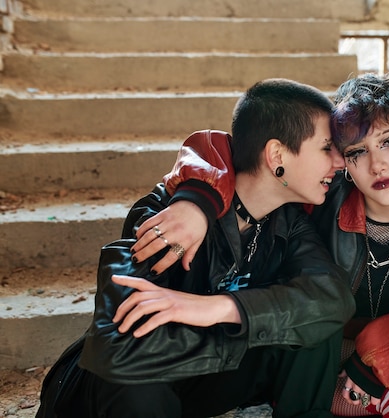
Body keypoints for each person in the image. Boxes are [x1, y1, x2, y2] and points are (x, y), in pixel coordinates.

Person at [129, 73, 389, 417]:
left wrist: (383, 358)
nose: (377, 164)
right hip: (328, 351)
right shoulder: (323, 194)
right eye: (357, 151)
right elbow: (230, 149)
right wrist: (198, 201)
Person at [35, 78, 356, 418]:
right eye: (326, 148)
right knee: (135, 380)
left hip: (200, 381)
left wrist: (223, 309)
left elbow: (333, 298)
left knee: (314, 323)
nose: (340, 162)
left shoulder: (289, 222)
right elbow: (121, 349)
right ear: (277, 154)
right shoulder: (167, 216)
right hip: (113, 393)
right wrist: (244, 324)